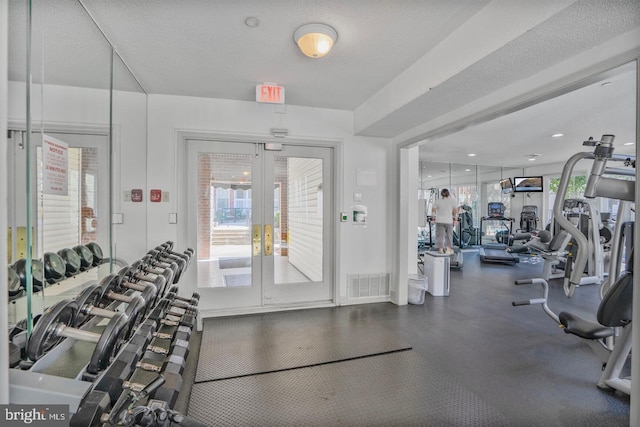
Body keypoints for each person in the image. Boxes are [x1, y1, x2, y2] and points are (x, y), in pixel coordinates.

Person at [431, 189, 459, 254]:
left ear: (441, 194)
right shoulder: (453, 201)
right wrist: (456, 219)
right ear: (448, 194)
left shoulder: (438, 201)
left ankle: (440, 249)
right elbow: (455, 211)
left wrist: (433, 218)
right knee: (449, 235)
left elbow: (433, 210)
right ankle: (448, 249)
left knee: (440, 235)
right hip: (448, 221)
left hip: (439, 220)